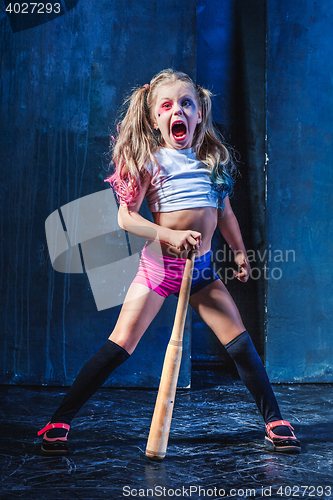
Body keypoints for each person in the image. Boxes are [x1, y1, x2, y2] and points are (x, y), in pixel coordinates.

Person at [38, 69, 300, 456]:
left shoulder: (212, 161)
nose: (177, 110)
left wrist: (241, 251)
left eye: (186, 103)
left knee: (241, 345)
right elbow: (126, 217)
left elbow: (224, 213)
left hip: (202, 271)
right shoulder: (151, 161)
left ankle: (274, 420)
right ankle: (60, 420)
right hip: (160, 269)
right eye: (167, 105)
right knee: (119, 345)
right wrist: (170, 235)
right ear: (155, 118)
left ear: (199, 114)